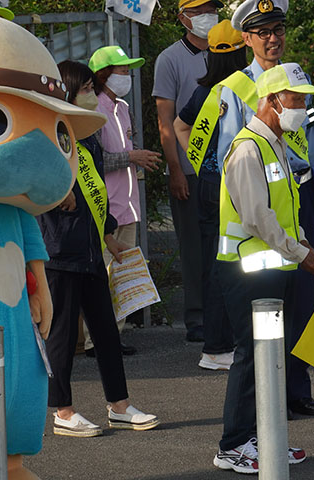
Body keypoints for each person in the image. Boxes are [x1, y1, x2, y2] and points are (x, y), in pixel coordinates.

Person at [216, 0, 314, 418]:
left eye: (278, 28)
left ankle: (296, 389)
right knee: (266, 312)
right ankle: (268, 397)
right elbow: (226, 153)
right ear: (247, 38)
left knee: (301, 303)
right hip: (258, 207)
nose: (272, 38)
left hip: (295, 197)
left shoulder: (298, 80)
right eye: (262, 31)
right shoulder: (235, 87)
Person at [38, 59, 159, 437]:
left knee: (106, 330)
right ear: (69, 92)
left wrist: (107, 233)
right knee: (60, 334)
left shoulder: (85, 134)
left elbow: (95, 194)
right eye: (87, 88)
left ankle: (119, 405)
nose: (92, 94)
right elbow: (38, 186)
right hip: (60, 250)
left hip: (89, 248)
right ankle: (63, 411)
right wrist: (57, 195)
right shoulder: (48, 134)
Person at [174, 19, 248, 371]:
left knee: (213, 263)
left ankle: (216, 343)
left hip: (208, 184)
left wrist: (199, 159)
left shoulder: (206, 91)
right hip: (232, 186)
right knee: (233, 265)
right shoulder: (241, 89)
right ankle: (220, 346)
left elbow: (179, 124)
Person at [84, 45, 162, 357]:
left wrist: (133, 157)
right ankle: (95, 341)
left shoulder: (123, 107)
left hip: (127, 205)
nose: (126, 75)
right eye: (121, 70)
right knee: (103, 275)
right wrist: (133, 156)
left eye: (127, 69)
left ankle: (113, 336)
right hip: (106, 207)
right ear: (104, 75)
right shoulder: (94, 109)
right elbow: (95, 159)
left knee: (122, 274)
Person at [153, 0, 223, 343]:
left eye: (212, 9)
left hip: (228, 167)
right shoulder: (169, 59)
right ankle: (198, 318)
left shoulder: (228, 50)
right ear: (183, 18)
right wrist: (175, 169)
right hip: (190, 169)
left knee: (227, 244)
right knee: (194, 248)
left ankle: (226, 311)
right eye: (200, 11)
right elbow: (165, 121)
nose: (208, 16)